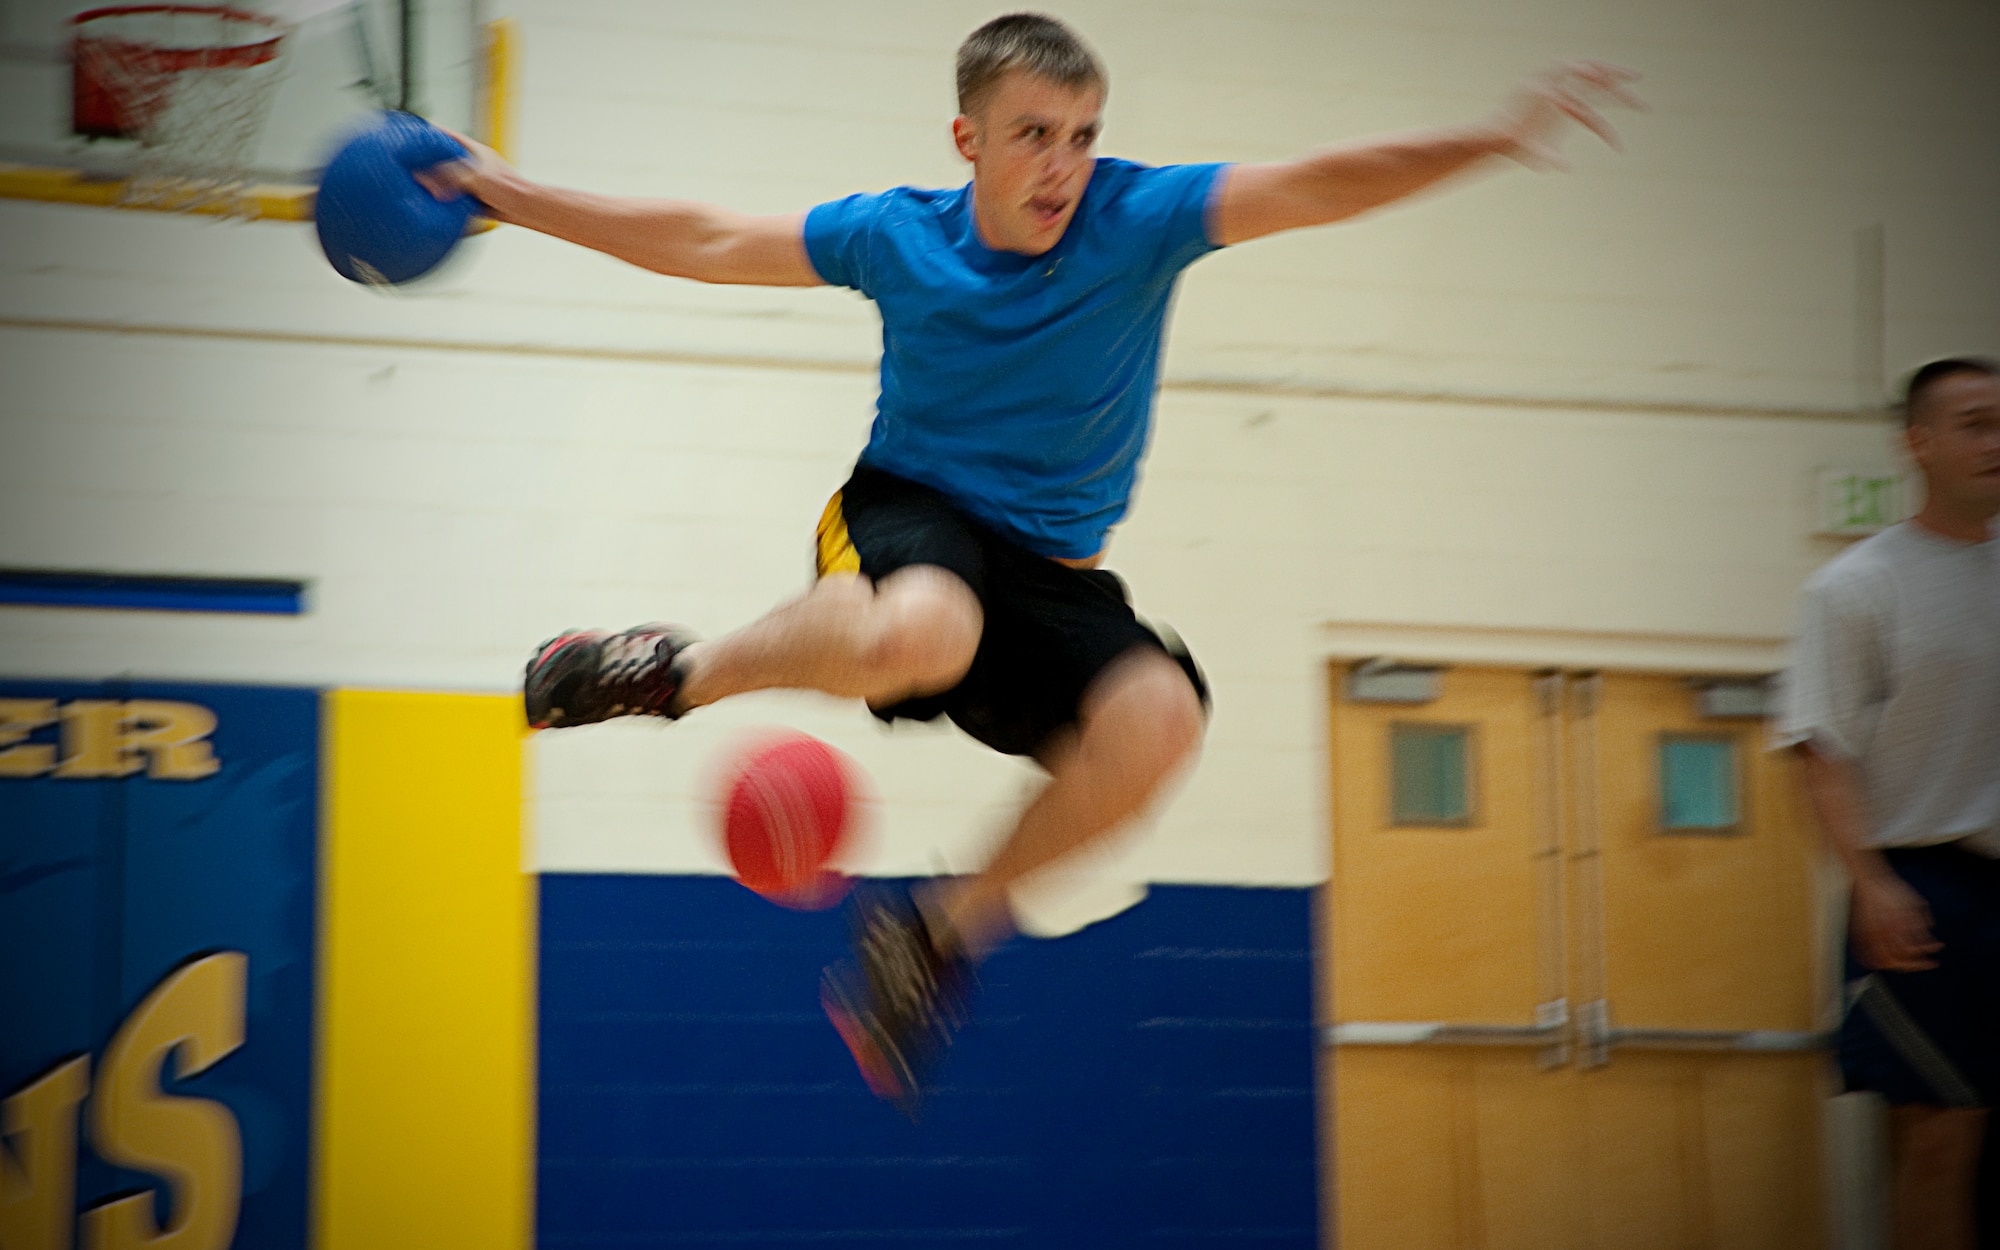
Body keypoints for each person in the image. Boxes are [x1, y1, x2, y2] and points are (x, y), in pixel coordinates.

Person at [428, 13, 1640, 1114]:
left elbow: (1318, 183)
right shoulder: (895, 235)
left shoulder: (1139, 219)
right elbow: (705, 237)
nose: (1061, 164)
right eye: (1030, 136)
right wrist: (509, 195)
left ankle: (934, 936)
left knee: (1159, 716)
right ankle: (667, 669)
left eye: (1080, 135)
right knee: (923, 628)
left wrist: (1489, 136)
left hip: (1053, 571)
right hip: (909, 513)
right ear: (966, 137)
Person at [1778, 357, 2000, 1250]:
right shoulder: (1857, 586)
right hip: (1929, 882)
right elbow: (1819, 747)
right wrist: (1869, 883)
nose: (1996, 442)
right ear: (1918, 443)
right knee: (1941, 1136)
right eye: (1976, 423)